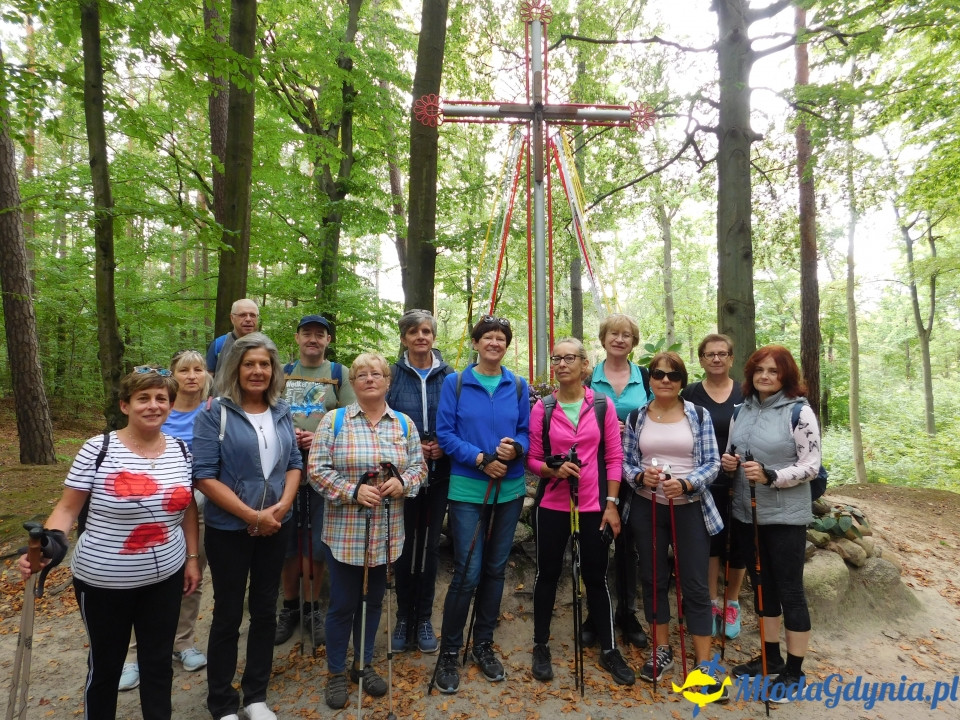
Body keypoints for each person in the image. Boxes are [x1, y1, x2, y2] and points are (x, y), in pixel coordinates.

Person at [19, 366, 201, 720]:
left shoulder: (181, 450)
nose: (153, 405)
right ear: (125, 405)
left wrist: (192, 558)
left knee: (158, 666)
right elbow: (67, 509)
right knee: (105, 669)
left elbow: (187, 505)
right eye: (143, 398)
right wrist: (51, 547)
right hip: (104, 583)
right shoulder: (98, 449)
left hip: (166, 578)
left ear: (171, 405)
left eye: (161, 398)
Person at [193, 332, 302, 720]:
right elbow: (204, 476)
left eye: (265, 364)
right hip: (229, 530)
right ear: (235, 368)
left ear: (274, 370)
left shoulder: (282, 411)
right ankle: (221, 701)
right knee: (227, 614)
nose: (258, 371)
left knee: (264, 611)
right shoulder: (213, 413)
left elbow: (294, 465)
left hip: (277, 525)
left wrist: (282, 507)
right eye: (249, 364)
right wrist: (250, 515)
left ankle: (256, 697)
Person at [308, 353, 426, 710]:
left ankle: (363, 664)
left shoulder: (403, 424)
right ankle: (335, 672)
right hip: (345, 533)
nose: (369, 379)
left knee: (373, 601)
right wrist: (352, 491)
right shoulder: (334, 421)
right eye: (361, 374)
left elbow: (420, 468)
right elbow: (316, 470)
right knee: (343, 604)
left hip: (386, 534)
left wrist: (402, 483)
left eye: (376, 373)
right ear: (353, 383)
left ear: (388, 381)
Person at [526, 338, 634, 685]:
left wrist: (612, 505)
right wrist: (552, 470)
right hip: (552, 504)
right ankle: (540, 644)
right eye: (556, 358)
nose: (561, 364)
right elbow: (532, 459)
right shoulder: (542, 408)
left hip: (593, 505)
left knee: (596, 575)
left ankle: (609, 649)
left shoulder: (601, 405)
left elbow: (614, 458)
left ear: (585, 364)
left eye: (569, 358)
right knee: (547, 574)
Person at [432, 314, 530, 694]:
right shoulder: (456, 383)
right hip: (468, 489)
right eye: (487, 337)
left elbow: (525, 430)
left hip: (509, 488)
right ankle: (449, 651)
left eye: (500, 338)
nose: (494, 343)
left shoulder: (517, 385)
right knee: (467, 572)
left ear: (506, 346)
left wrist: (515, 448)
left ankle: (483, 645)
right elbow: (446, 434)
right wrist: (479, 459)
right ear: (476, 343)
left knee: (495, 568)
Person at [721, 345, 821, 702]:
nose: (765, 376)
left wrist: (771, 475)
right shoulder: (740, 411)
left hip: (785, 515)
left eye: (773, 372)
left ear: (786, 377)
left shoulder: (799, 412)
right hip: (748, 514)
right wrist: (729, 463)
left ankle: (794, 672)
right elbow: (734, 451)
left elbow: (812, 465)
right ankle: (770, 657)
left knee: (790, 589)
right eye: (759, 370)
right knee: (762, 588)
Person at [622, 352, 724, 694]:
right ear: (649, 379)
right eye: (659, 374)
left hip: (690, 506)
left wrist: (687, 483)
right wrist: (640, 477)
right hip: (648, 507)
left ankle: (704, 662)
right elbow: (626, 462)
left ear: (682, 381)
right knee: (653, 579)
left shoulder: (698, 414)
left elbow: (712, 462)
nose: (666, 380)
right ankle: (661, 649)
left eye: (674, 375)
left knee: (695, 585)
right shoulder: (638, 416)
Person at [120, 349, 213, 691]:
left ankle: (183, 643)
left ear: (206, 375)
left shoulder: (213, 409)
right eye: (184, 370)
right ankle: (133, 655)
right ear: (173, 375)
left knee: (192, 573)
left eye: (198, 369)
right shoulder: (158, 409)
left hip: (197, 503)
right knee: (141, 579)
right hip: (150, 505)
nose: (192, 375)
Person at [275, 314, 356, 648]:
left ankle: (312, 608)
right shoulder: (280, 373)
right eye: (307, 333)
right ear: (297, 338)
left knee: (317, 542)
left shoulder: (339, 374)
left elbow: (352, 417)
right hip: (283, 469)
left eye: (319, 335)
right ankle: (290, 607)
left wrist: (318, 436)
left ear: (327, 340)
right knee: (288, 540)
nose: (313, 339)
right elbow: (263, 412)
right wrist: (287, 434)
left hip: (325, 469)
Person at [385, 309, 454, 654]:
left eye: (426, 331)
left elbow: (458, 418)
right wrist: (412, 450)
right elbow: (383, 422)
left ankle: (424, 617)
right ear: (404, 338)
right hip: (403, 475)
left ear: (433, 336)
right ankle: (403, 617)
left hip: (439, 473)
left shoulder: (450, 375)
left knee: (428, 548)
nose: (421, 337)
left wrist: (444, 444)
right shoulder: (392, 375)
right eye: (413, 332)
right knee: (403, 545)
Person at [586, 313, 651, 649]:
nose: (620, 339)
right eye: (614, 333)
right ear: (604, 338)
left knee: (630, 544)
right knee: (596, 539)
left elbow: (657, 417)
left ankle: (627, 612)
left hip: (637, 469)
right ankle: (594, 615)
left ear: (633, 341)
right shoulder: (589, 377)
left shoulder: (645, 377)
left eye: (627, 334)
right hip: (597, 468)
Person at [680, 334, 746, 640]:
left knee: (739, 542)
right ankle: (710, 602)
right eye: (710, 354)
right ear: (701, 359)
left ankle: (732, 600)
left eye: (722, 353)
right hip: (704, 480)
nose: (716, 359)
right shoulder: (691, 393)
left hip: (742, 479)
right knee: (711, 541)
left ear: (732, 358)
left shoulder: (747, 393)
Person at [205, 298, 259, 379]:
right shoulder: (219, 345)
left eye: (252, 315)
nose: (248, 319)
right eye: (242, 315)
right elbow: (208, 377)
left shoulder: (265, 345)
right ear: (232, 318)